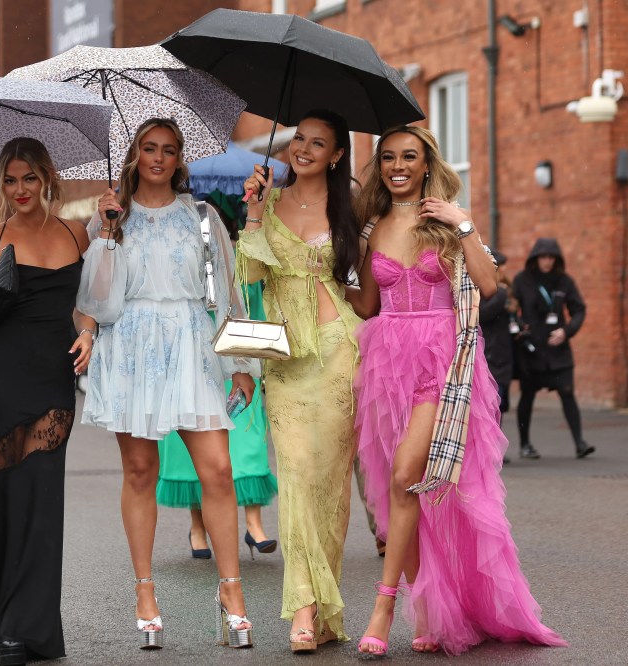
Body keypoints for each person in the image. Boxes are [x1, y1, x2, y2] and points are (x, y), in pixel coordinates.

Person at [352, 125, 566, 656]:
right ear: (380, 168)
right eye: (389, 159)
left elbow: (489, 286)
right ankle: (427, 608)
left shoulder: (445, 223)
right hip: (385, 362)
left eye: (409, 157)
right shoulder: (370, 227)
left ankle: (383, 608)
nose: (398, 166)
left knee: (405, 475)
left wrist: (463, 223)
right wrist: (328, 271)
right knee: (403, 488)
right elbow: (366, 306)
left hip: (441, 363)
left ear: (426, 165)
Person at [78, 118, 259, 650]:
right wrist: (107, 230)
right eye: (148, 148)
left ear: (181, 160)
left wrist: (241, 362)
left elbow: (227, 291)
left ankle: (232, 592)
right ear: (134, 155)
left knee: (220, 472)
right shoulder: (108, 220)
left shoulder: (203, 217)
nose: (158, 158)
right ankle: (145, 592)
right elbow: (94, 300)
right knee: (140, 471)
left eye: (169, 150)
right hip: (130, 348)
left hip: (193, 346)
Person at [0, 136, 95, 664]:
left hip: (52, 382)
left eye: (29, 179)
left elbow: (84, 303)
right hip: (0, 381)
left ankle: (32, 626)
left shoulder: (75, 233)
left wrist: (88, 333)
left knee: (41, 500)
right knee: (3, 500)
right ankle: (7, 624)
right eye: (10, 180)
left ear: (46, 179)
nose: (20, 190)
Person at [238, 109, 362, 652]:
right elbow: (251, 277)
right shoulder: (269, 202)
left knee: (330, 485)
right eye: (298, 140)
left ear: (336, 154)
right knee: (296, 476)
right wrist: (252, 214)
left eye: (318, 143)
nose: (303, 150)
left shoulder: (353, 206)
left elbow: (368, 278)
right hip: (283, 356)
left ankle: (325, 610)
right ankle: (304, 611)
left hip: (339, 350)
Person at [155, 192, 278, 562]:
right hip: (187, 360)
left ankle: (255, 525)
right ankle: (197, 527)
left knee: (247, 443)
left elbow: (254, 308)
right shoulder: (177, 256)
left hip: (236, 359)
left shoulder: (242, 263)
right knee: (188, 450)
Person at [512, 238, 593, 459]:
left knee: (567, 393)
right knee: (528, 396)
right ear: (535, 259)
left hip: (558, 350)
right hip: (532, 349)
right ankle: (525, 444)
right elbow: (510, 308)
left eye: (551, 258)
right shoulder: (522, 280)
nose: (547, 262)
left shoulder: (564, 282)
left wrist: (566, 331)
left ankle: (579, 443)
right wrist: (518, 326)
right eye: (543, 257)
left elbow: (579, 309)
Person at [479, 250, 516, 465]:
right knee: (491, 404)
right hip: (490, 354)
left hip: (502, 354)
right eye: (497, 267)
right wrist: (501, 296)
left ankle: (494, 448)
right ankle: (489, 449)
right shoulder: (493, 292)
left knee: (500, 404)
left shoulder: (504, 291)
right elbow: (482, 315)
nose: (501, 272)